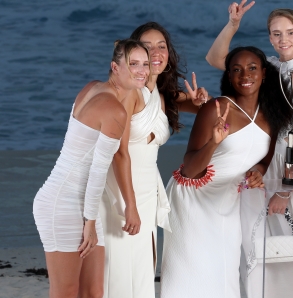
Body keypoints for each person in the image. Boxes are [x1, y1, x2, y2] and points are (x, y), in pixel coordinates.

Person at [206, 2, 293, 297]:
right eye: (276, 34)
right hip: (259, 160)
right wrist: (233, 25)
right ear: (269, 39)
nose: (283, 39)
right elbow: (215, 58)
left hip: (292, 168)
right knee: (258, 243)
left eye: (289, 33)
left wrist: (287, 190)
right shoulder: (265, 69)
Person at [161, 46, 293, 298]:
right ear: (229, 77)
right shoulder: (217, 109)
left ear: (264, 73)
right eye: (236, 70)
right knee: (188, 276)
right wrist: (214, 142)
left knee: (224, 276)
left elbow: (264, 158)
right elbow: (189, 168)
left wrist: (259, 171)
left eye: (252, 68)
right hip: (194, 199)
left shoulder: (272, 114)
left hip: (228, 201)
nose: (245, 75)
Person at [99, 22, 209, 298]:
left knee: (146, 265)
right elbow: (119, 151)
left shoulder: (159, 95)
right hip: (125, 190)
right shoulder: (129, 93)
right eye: (147, 47)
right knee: (123, 268)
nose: (156, 52)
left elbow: (191, 105)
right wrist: (130, 205)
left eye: (161, 46)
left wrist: (199, 101)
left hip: (147, 188)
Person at [32, 39, 148, 298]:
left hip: (81, 204)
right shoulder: (114, 110)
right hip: (62, 203)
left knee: (93, 293)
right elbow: (98, 170)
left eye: (145, 64)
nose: (142, 70)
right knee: (66, 292)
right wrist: (90, 223)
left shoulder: (93, 87)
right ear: (115, 67)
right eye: (133, 64)